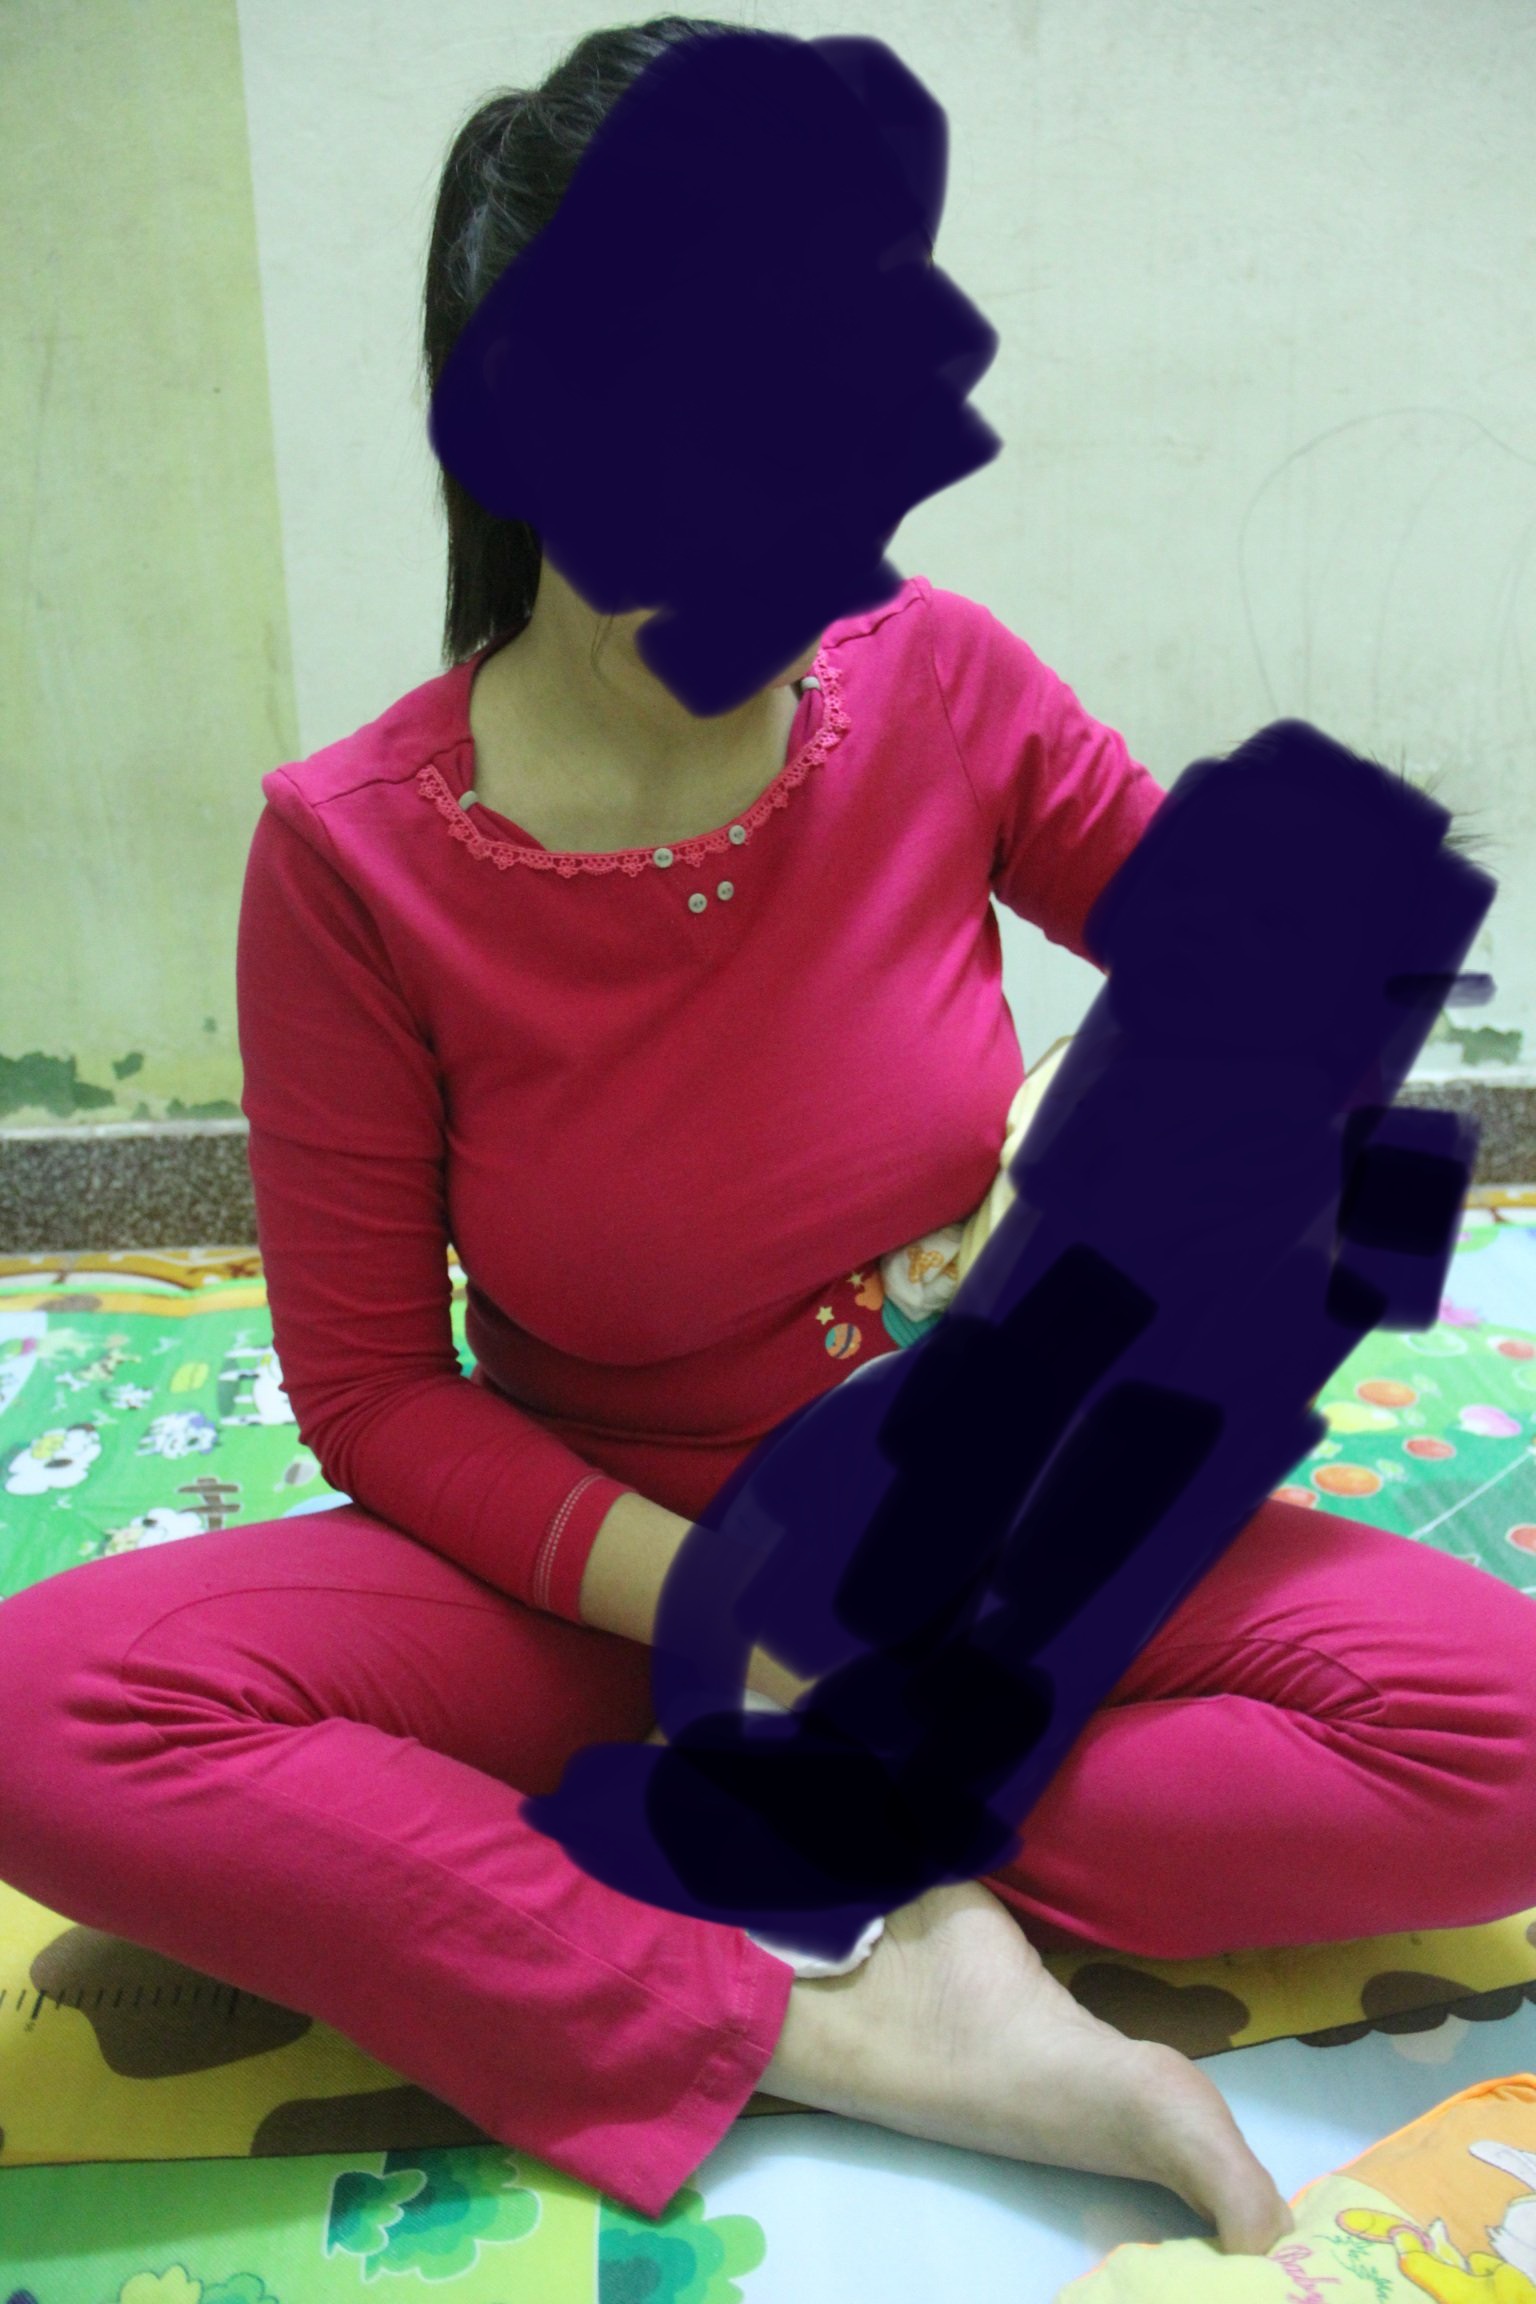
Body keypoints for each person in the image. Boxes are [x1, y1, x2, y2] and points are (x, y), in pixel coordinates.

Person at [0, 18, 1532, 2266]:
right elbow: (377, 1393)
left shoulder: (942, 684)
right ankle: (807, 1994)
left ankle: (760, 1845)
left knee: (1502, 1735)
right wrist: (728, 1607)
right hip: (595, 1580)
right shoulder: (354, 861)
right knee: (47, 1713)